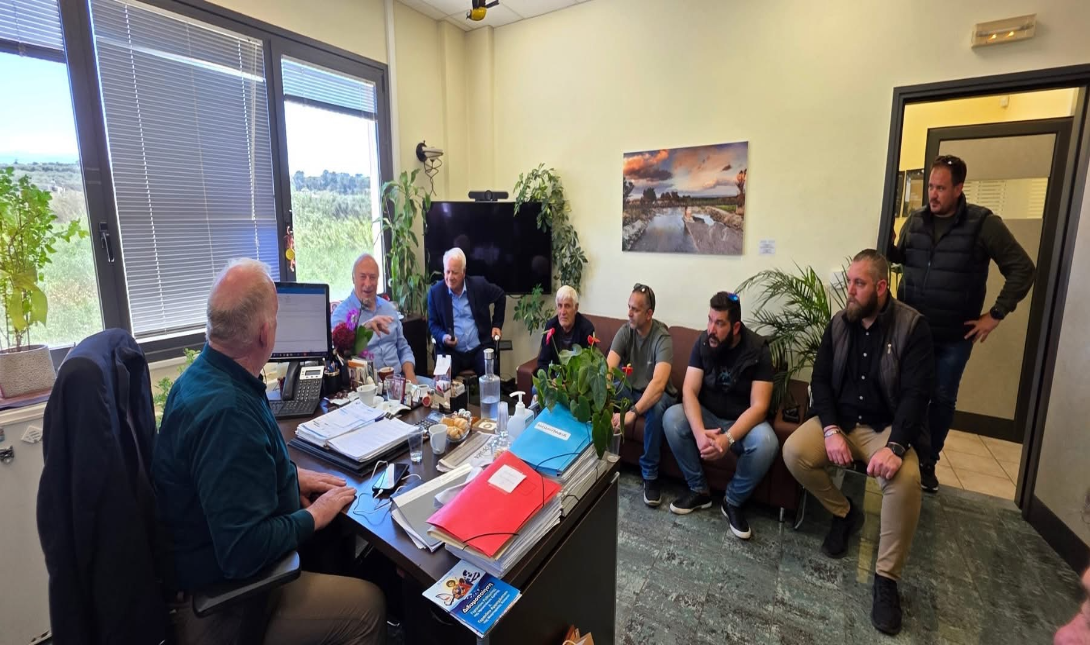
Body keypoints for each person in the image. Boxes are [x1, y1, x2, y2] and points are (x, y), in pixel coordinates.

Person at [154, 259, 386, 645]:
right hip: (226, 604)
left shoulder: (205, 376)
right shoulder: (227, 415)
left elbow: (237, 477)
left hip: (214, 572)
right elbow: (243, 551)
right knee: (368, 605)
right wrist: (315, 515)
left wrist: (292, 477)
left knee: (335, 546)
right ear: (265, 332)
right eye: (277, 318)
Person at [783, 250, 933, 636]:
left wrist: (895, 447)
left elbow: (916, 395)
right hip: (842, 423)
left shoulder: (912, 327)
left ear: (881, 287)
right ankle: (845, 512)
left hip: (886, 428)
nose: (849, 290)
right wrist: (831, 430)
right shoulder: (839, 324)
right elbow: (820, 381)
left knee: (905, 481)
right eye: (849, 281)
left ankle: (886, 579)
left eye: (859, 283)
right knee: (795, 451)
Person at [889, 154, 1036, 492]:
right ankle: (901, 452)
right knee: (907, 392)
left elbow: (1023, 269)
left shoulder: (983, 224)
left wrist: (995, 314)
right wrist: (885, 238)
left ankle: (927, 462)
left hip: (953, 337)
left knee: (941, 398)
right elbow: (901, 258)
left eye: (941, 188)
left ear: (959, 188)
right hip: (911, 331)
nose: (933, 194)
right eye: (930, 186)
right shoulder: (916, 220)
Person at [661, 291, 779, 539]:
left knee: (767, 443)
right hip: (708, 416)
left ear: (735, 327)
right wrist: (699, 433)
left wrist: (728, 438)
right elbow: (689, 391)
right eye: (709, 320)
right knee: (672, 417)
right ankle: (699, 490)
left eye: (719, 323)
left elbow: (759, 407)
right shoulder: (703, 342)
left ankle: (732, 501)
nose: (711, 329)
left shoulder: (758, 350)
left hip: (742, 423)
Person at [606, 283, 678, 508]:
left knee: (655, 407)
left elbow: (658, 385)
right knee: (608, 387)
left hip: (659, 394)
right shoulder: (625, 330)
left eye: (635, 309)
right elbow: (609, 369)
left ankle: (650, 475)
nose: (629, 313)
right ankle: (598, 455)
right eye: (629, 307)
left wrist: (632, 413)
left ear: (649, 314)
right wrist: (605, 394)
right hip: (631, 390)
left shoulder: (662, 337)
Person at [331, 253, 417, 382]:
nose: (368, 283)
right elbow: (343, 355)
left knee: (440, 389)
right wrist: (364, 329)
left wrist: (410, 376)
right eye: (362, 277)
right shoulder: (341, 314)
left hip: (400, 380)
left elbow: (403, 347)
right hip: (367, 387)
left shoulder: (388, 308)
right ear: (353, 278)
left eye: (372, 277)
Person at [427, 247, 506, 376]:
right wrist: (444, 337)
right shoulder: (435, 293)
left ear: (463, 272)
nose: (450, 277)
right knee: (443, 377)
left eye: (454, 272)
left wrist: (497, 324)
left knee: (490, 372)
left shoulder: (479, 285)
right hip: (451, 351)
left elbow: (500, 295)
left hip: (479, 348)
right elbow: (433, 324)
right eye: (447, 272)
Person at [535, 285, 595, 375]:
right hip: (555, 377)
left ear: (576, 308)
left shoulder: (586, 329)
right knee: (536, 382)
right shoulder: (550, 326)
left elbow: (588, 366)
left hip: (576, 378)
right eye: (560, 306)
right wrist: (552, 379)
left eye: (567, 306)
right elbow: (543, 362)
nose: (563, 312)